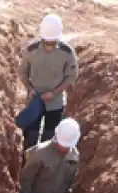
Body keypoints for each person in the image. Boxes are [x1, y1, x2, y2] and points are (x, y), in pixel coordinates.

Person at [19, 14, 79, 152]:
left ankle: (44, 169)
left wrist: (54, 93)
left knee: (49, 140)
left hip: (55, 102)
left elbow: (71, 76)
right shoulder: (31, 51)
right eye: (46, 42)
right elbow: (22, 72)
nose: (49, 46)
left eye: (52, 43)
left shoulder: (67, 53)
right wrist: (29, 88)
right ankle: (27, 167)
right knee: (30, 139)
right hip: (35, 100)